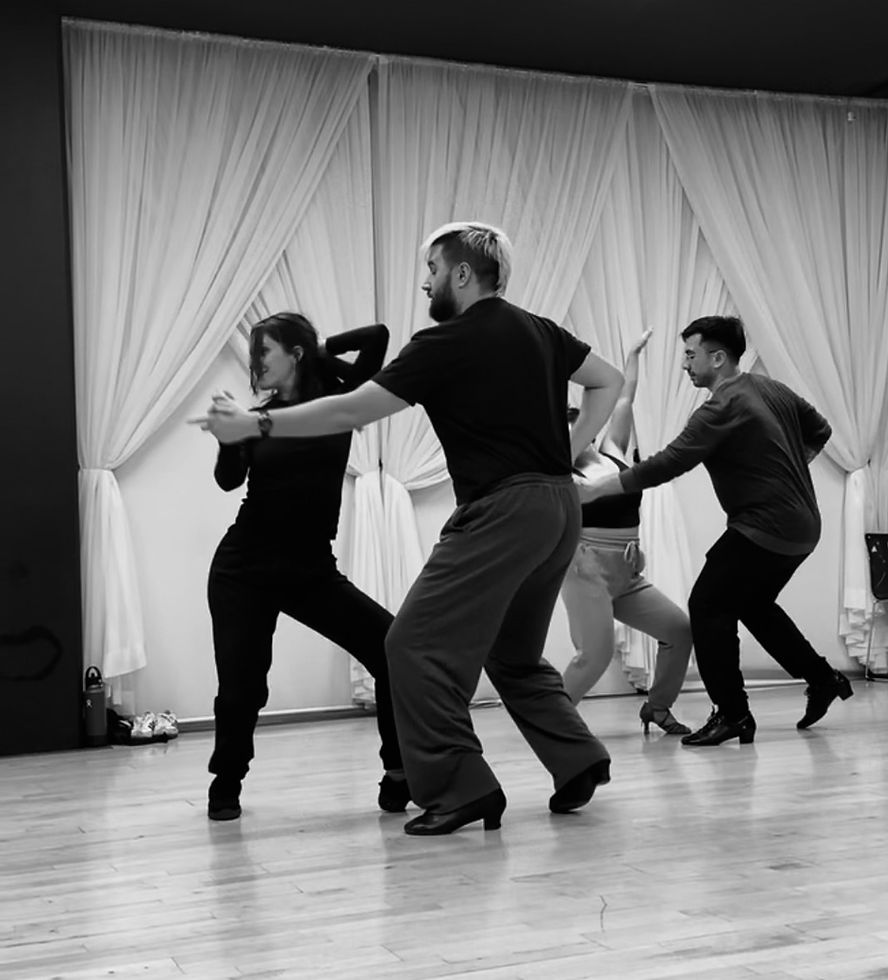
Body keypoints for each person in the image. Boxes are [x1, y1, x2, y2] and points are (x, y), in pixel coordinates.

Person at [196, 222, 623, 835]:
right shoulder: (541, 329)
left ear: (462, 274)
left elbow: (352, 408)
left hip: (501, 511)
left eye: (432, 270)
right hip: (558, 508)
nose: (425, 283)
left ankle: (459, 787)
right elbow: (609, 380)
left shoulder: (445, 342)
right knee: (512, 652)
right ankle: (577, 758)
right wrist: (566, 452)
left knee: (410, 647)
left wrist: (256, 424)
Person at [577, 315, 852, 746]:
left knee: (706, 605)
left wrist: (595, 491)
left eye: (691, 355)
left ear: (718, 358)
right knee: (752, 604)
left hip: (764, 526)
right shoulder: (770, 388)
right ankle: (822, 679)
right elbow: (820, 430)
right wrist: (786, 474)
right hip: (802, 525)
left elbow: (666, 464)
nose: (685, 364)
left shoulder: (720, 408)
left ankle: (733, 714)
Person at [203, 313, 407, 820]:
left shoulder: (340, 400)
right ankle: (226, 781)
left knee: (393, 649)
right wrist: (227, 438)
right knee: (243, 686)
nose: (255, 363)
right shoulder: (257, 419)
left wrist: (315, 348)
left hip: (310, 567)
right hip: (243, 568)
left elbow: (376, 338)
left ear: (295, 354)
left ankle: (399, 770)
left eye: (264, 351)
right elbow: (228, 482)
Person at [561, 330, 694, 735]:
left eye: (580, 422)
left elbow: (623, 398)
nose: (578, 430)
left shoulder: (612, 453)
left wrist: (632, 356)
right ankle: (551, 724)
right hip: (587, 571)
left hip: (628, 572)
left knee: (678, 631)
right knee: (592, 657)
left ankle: (658, 707)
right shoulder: (557, 472)